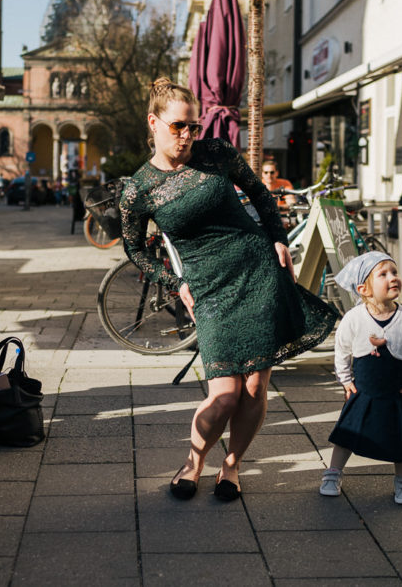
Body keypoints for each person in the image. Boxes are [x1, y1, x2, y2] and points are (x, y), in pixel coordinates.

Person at [120, 77, 336, 501]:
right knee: (224, 393)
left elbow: (259, 193)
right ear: (154, 122)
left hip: (258, 272)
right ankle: (194, 461)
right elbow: (134, 249)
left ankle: (232, 465)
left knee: (256, 385)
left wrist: (275, 237)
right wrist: (175, 283)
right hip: (209, 288)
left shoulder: (215, 153)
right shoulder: (138, 189)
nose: (187, 135)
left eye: (193, 126)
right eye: (178, 126)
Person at [319, 252, 402, 505]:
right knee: (346, 432)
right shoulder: (354, 319)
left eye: (395, 272)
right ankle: (333, 472)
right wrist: (345, 379)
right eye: (383, 274)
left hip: (398, 391)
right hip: (364, 391)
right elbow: (342, 348)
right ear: (364, 289)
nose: (393, 278)